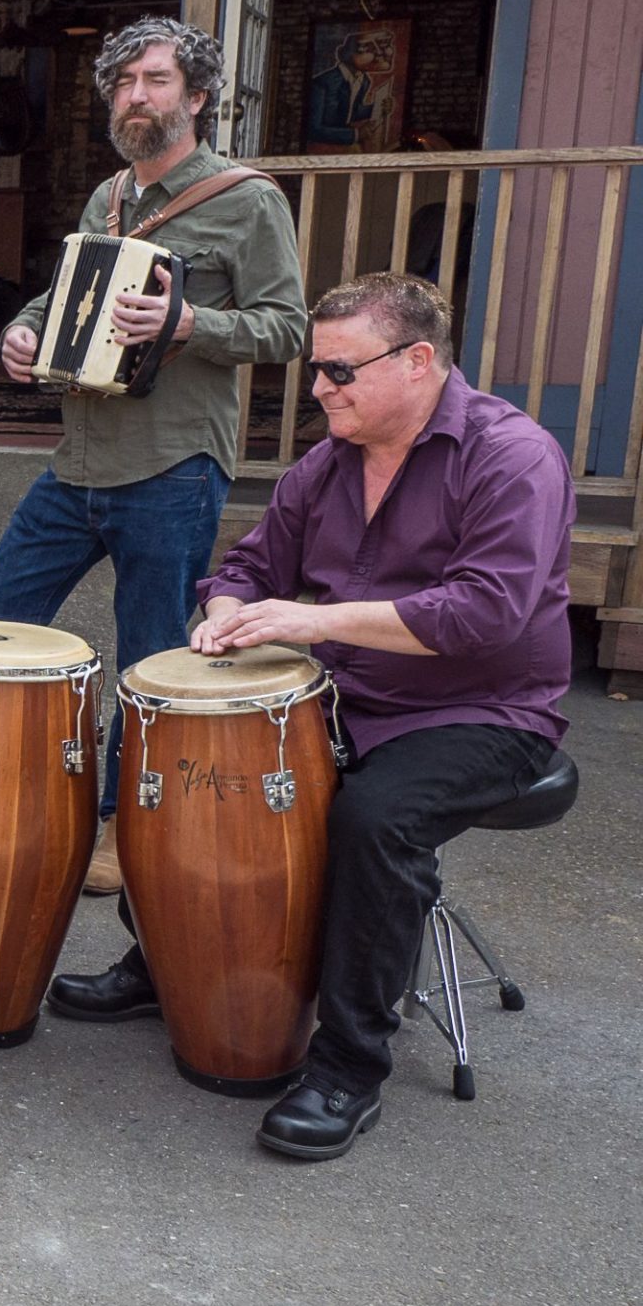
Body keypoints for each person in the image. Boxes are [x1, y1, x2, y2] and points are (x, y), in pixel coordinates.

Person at [50, 274, 573, 1161]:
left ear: (417, 362)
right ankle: (169, 964)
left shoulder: (510, 456)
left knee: (372, 820)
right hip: (344, 697)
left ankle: (348, 1067)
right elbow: (247, 568)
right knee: (194, 771)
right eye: (316, 369)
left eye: (339, 371)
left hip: (482, 710)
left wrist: (314, 621)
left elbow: (486, 611)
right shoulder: (328, 462)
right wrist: (222, 614)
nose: (320, 388)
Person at [0, 16, 307, 895]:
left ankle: (128, 826)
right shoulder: (110, 197)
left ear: (195, 97)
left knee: (150, 658)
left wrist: (191, 323)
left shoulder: (248, 199)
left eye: (154, 80)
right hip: (77, 458)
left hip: (172, 466)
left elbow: (288, 326)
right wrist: (25, 327)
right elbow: (64, 289)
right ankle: (18, 787)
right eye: (122, 83)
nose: (135, 96)